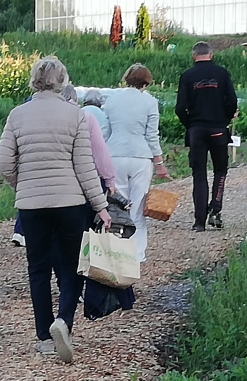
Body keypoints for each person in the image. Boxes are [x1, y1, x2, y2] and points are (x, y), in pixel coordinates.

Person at [0, 56, 111, 364]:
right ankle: (64, 322)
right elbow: (85, 166)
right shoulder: (76, 116)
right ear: (62, 81)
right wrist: (100, 205)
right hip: (70, 203)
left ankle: (44, 338)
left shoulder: (17, 115)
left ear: (34, 79)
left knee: (38, 269)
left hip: (32, 205)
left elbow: (3, 163)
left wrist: (24, 184)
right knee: (73, 267)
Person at [101, 64, 170, 263]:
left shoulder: (111, 100)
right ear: (146, 82)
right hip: (141, 157)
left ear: (126, 79)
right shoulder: (150, 102)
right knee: (138, 207)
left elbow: (106, 131)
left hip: (115, 156)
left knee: (117, 205)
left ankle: (116, 250)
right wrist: (159, 163)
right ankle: (137, 254)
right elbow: (152, 135)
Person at [175, 41, 238, 232]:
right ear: (211, 55)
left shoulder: (187, 76)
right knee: (220, 170)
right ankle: (216, 209)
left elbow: (179, 108)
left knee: (199, 174)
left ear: (193, 56)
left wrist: (190, 124)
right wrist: (224, 120)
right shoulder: (222, 73)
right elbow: (232, 102)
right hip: (218, 128)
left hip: (196, 130)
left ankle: (199, 222)